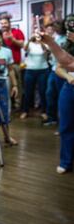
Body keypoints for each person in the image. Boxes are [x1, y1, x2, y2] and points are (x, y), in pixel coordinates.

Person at [40, 13, 74, 174]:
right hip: (70, 88)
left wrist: (52, 43)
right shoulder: (68, 44)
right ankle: (66, 161)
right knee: (66, 126)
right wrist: (51, 43)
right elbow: (63, 64)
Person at [20, 35, 50, 120]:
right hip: (29, 70)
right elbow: (25, 49)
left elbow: (46, 51)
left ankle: (44, 111)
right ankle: (25, 111)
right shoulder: (29, 44)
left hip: (43, 70)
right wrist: (29, 39)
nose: (37, 36)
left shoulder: (46, 44)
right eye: (35, 33)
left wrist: (41, 42)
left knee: (42, 92)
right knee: (27, 92)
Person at [0, 17, 25, 109]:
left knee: (17, 84)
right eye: (2, 23)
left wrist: (12, 39)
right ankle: (7, 105)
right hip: (2, 65)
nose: (3, 25)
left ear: (9, 23)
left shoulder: (17, 32)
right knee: (6, 86)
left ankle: (18, 105)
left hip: (15, 64)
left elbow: (22, 45)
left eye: (5, 23)